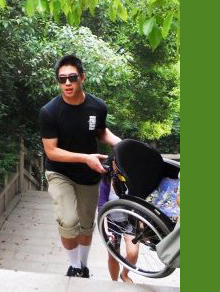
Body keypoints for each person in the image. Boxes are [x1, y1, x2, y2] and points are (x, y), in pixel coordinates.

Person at [39, 55, 122, 278]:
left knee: (86, 224)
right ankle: (74, 266)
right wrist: (85, 158)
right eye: (62, 79)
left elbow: (101, 132)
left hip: (90, 174)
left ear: (82, 78)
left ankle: (82, 267)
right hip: (60, 172)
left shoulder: (97, 107)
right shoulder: (49, 112)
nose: (67, 83)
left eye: (72, 78)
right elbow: (51, 151)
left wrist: (120, 143)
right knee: (68, 220)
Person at [97, 168, 138, 283]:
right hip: (112, 223)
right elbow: (101, 207)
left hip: (130, 221)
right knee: (113, 256)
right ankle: (114, 282)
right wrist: (105, 230)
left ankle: (124, 274)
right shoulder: (106, 180)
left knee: (133, 253)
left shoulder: (133, 176)